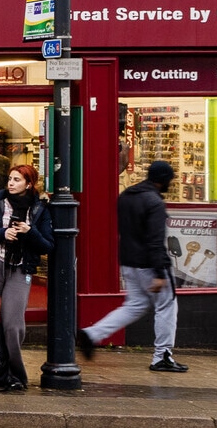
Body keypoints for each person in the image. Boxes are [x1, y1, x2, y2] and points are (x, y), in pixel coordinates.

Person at [76, 159, 187, 372]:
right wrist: (160, 273)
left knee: (135, 304)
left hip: (128, 261)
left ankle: (93, 333)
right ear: (163, 180)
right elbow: (155, 241)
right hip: (150, 264)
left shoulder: (127, 196)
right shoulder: (154, 203)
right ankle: (162, 356)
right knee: (166, 306)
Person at [0, 163, 54, 390]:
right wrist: (2, 233)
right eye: (10, 179)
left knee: (13, 324)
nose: (11, 183)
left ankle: (15, 375)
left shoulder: (39, 210)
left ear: (29, 183)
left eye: (17, 180)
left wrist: (29, 231)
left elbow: (47, 245)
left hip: (20, 267)